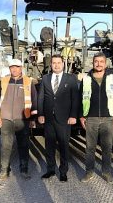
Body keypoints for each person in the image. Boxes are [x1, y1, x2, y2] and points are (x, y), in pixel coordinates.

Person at [79, 52, 113, 183]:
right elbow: (79, 98)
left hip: (108, 118)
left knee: (107, 147)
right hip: (90, 118)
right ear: (93, 63)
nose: (98, 64)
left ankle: (106, 173)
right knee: (90, 147)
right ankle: (89, 172)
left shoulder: (112, 79)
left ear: (105, 63)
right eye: (96, 61)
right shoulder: (86, 79)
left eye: (101, 61)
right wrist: (81, 116)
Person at [0, 58, 37, 180]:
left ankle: (24, 169)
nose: (14, 69)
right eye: (12, 67)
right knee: (6, 146)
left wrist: (32, 119)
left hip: (23, 119)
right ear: (9, 68)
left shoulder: (29, 82)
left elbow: (34, 100)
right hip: (6, 118)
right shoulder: (4, 81)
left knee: (23, 145)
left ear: (21, 68)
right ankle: (4, 169)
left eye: (16, 67)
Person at [38, 54, 79, 182]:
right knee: (49, 145)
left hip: (64, 118)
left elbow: (75, 99)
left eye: (58, 63)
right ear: (51, 65)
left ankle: (63, 171)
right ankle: (50, 169)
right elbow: (41, 98)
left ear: (63, 64)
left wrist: (73, 116)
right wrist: (40, 114)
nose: (56, 65)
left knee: (64, 145)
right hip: (49, 118)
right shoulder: (45, 78)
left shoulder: (71, 79)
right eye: (54, 63)